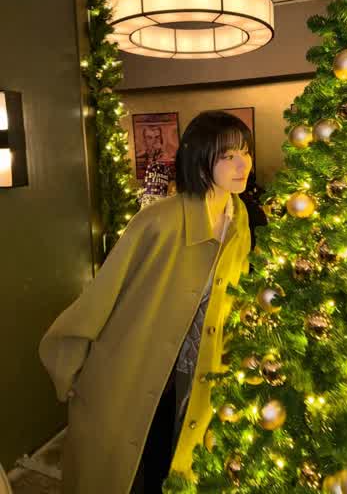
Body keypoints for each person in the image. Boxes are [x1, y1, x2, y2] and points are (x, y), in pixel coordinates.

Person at [38, 111, 253, 494]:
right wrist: (68, 362)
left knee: (179, 462)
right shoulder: (159, 220)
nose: (243, 165)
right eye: (228, 156)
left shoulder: (239, 218)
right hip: (135, 363)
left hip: (198, 366)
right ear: (199, 159)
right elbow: (102, 294)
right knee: (131, 466)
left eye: (245, 152)